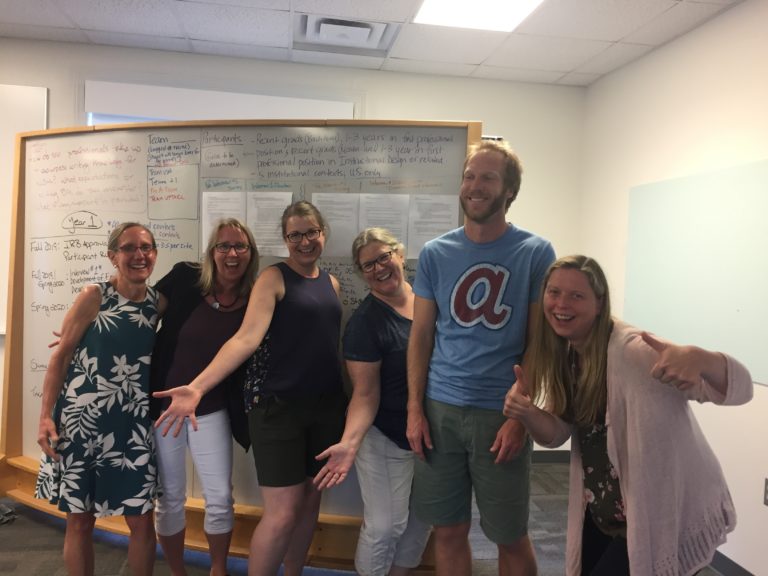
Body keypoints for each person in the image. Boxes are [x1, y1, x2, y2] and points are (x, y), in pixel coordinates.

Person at [502, 255, 753, 576]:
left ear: (599, 303)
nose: (561, 304)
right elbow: (557, 434)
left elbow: (742, 389)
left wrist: (701, 358)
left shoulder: (634, 350)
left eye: (576, 295)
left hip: (652, 510)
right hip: (603, 509)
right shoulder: (568, 353)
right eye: (554, 292)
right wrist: (526, 413)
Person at [153, 200, 347, 576]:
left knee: (310, 503)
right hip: (278, 408)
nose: (304, 242)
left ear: (323, 233)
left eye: (311, 232)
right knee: (284, 511)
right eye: (295, 235)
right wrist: (196, 387)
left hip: (325, 409)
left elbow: (327, 347)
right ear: (285, 239)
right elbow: (245, 340)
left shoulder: (332, 283)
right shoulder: (273, 279)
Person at [406, 140, 555, 576]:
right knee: (448, 530)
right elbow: (421, 336)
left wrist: (519, 417)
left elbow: (539, 342)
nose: (475, 186)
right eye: (470, 176)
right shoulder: (436, 253)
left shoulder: (535, 252)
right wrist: (415, 409)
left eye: (488, 177)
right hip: (439, 411)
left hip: (499, 413)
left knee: (509, 534)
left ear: (510, 190)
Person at [35, 222, 160, 576]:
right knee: (80, 521)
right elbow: (60, 358)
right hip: (81, 424)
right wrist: (45, 417)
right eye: (129, 248)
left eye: (146, 247)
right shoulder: (95, 295)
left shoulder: (158, 303)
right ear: (113, 256)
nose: (139, 255)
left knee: (141, 520)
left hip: (131, 427)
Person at [314, 228, 431, 576]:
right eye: (368, 265)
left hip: (430, 434)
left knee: (423, 516)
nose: (379, 268)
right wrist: (349, 445)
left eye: (384, 257)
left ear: (399, 255)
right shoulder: (365, 323)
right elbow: (364, 395)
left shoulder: (429, 301)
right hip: (385, 436)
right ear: (360, 274)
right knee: (384, 527)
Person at [150, 218, 259, 576]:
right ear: (211, 252)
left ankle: (217, 569)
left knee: (219, 500)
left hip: (210, 408)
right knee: (170, 499)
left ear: (250, 253)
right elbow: (142, 316)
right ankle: (178, 571)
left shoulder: (254, 299)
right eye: (223, 246)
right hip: (165, 406)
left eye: (240, 246)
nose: (231, 253)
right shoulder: (185, 278)